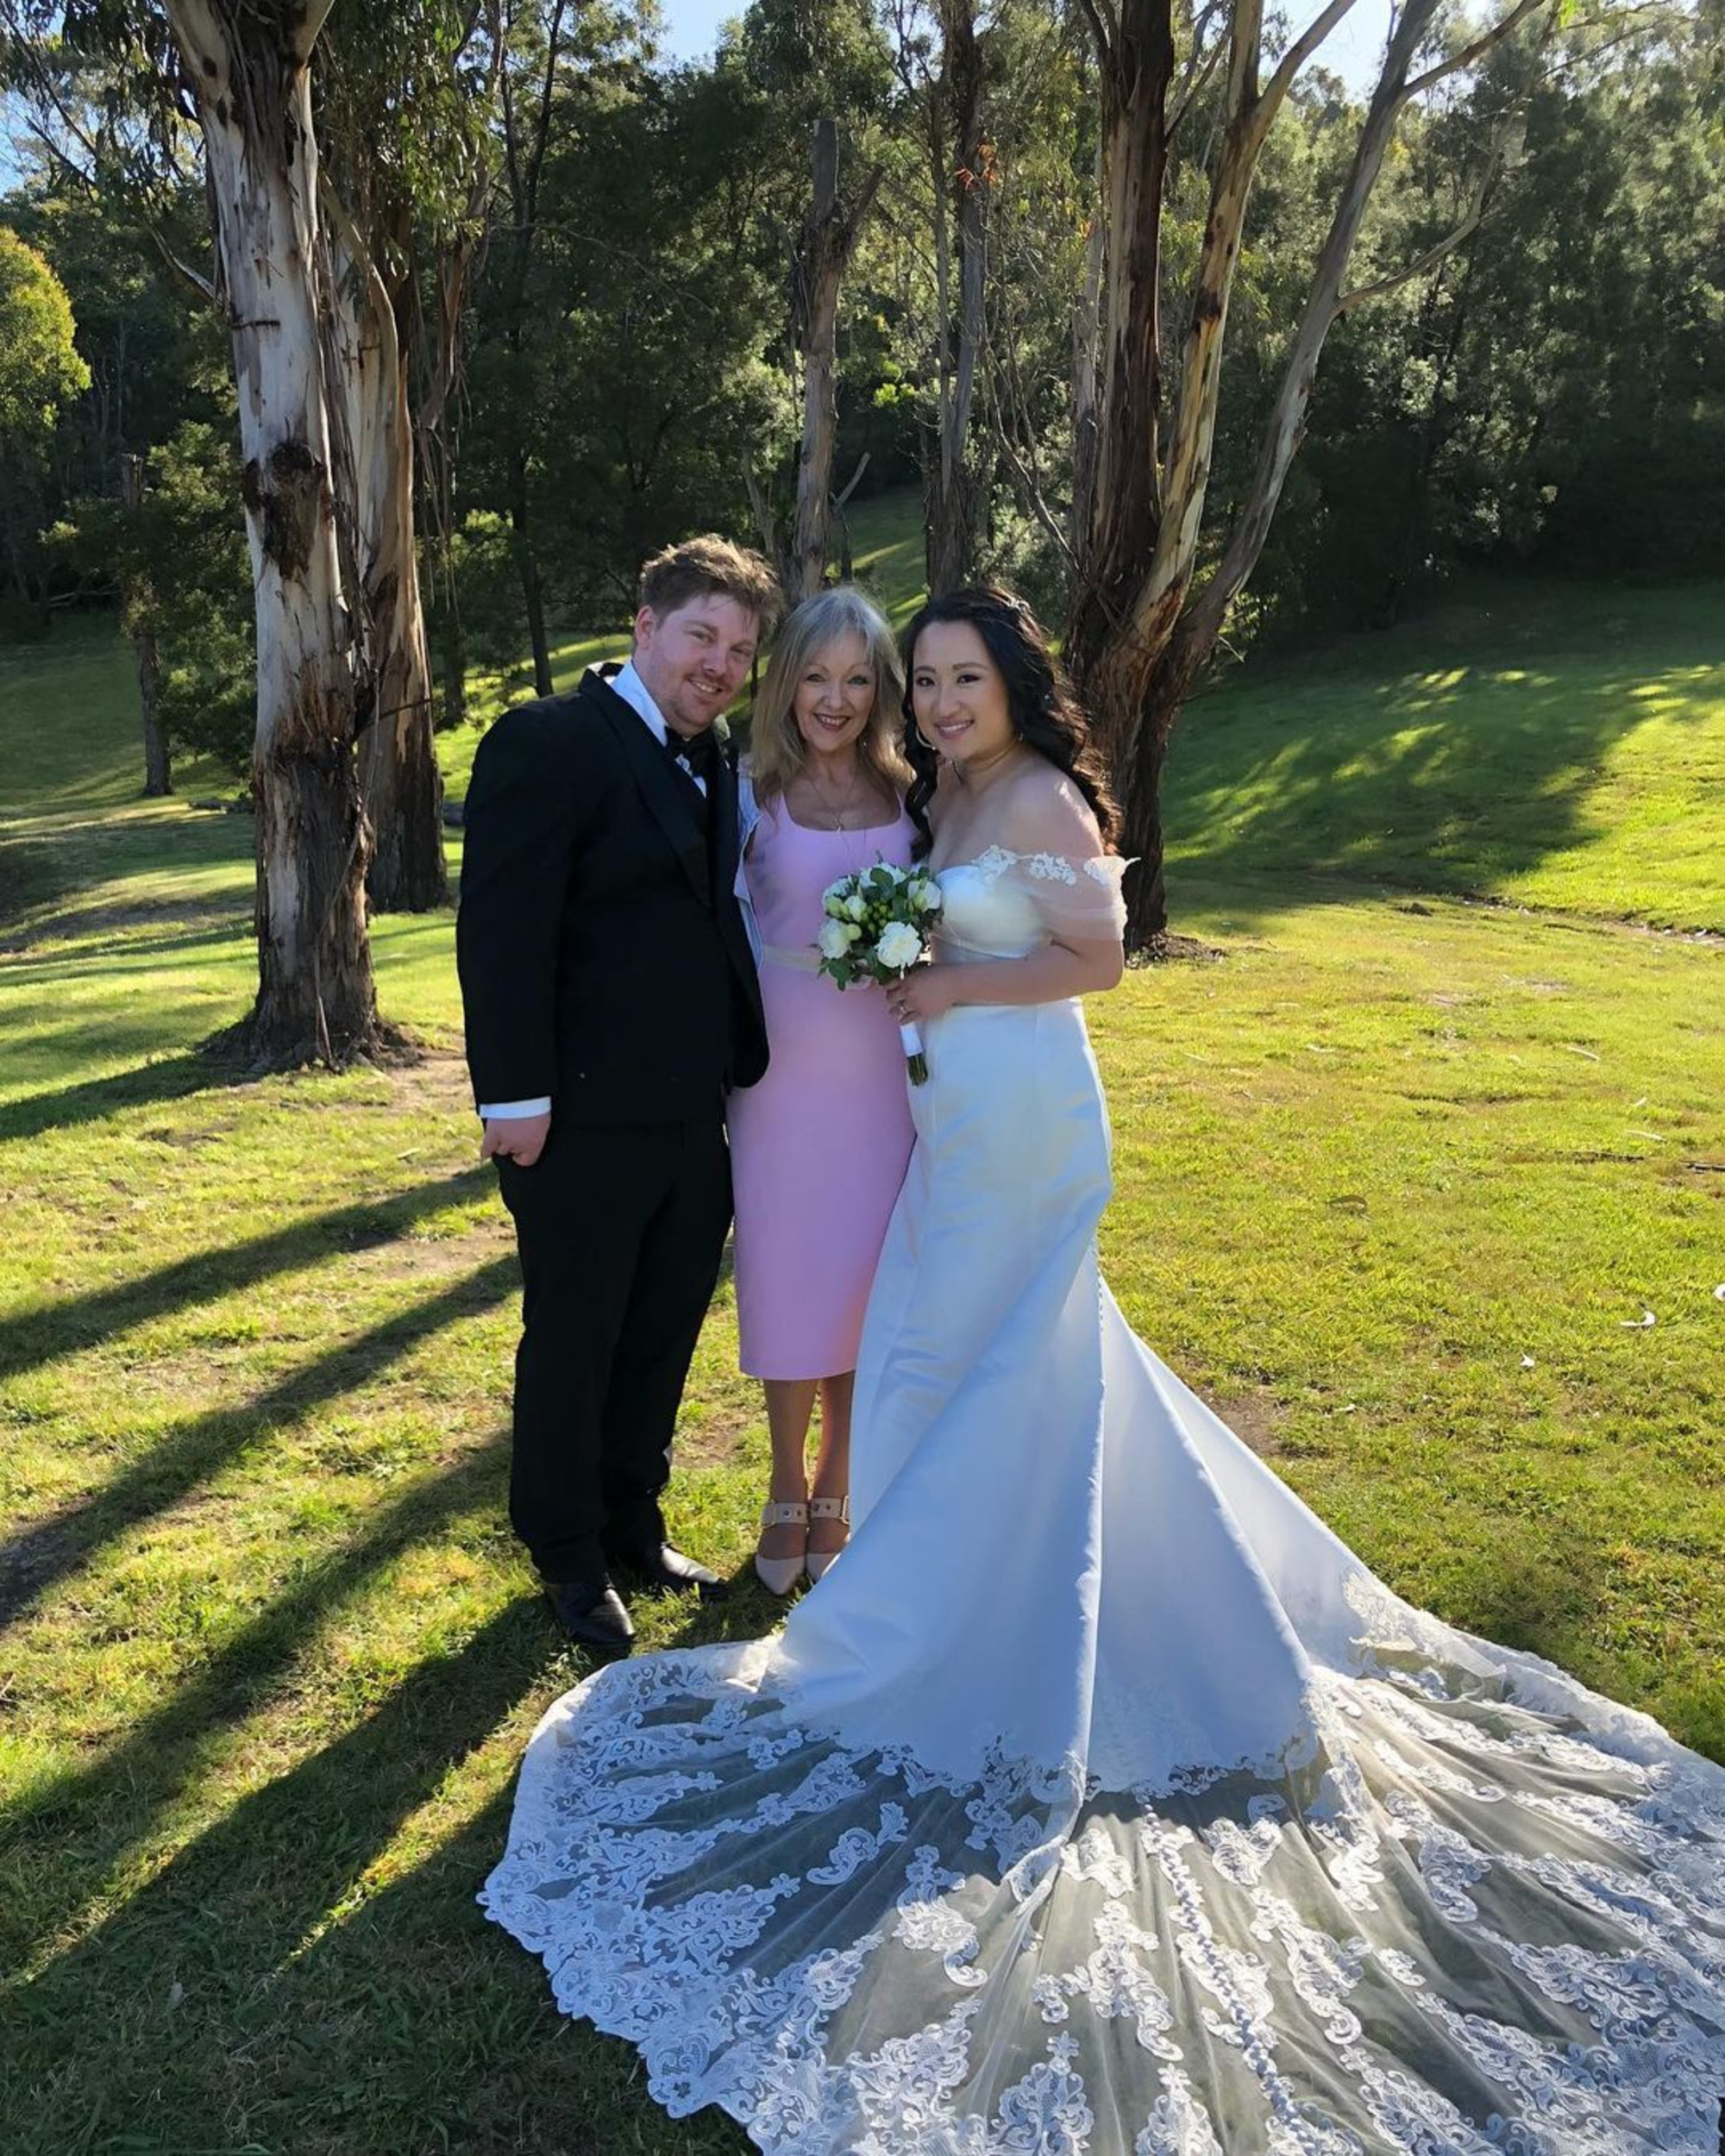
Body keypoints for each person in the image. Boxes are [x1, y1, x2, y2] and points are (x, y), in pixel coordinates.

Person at [481, 588, 1725, 2151]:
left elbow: (1102, 955)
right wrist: (915, 971)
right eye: (919, 683)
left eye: (957, 678)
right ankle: (934, 1589)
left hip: (1027, 1121)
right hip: (958, 1119)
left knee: (989, 1354)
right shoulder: (943, 796)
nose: (935, 702)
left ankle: (957, 1614)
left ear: (1010, 684)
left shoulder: (1047, 795)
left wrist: (944, 981)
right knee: (958, 1357)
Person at [456, 536, 780, 1653]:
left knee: (659, 1333)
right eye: (701, 636)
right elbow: (503, 934)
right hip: (577, 1119)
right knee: (576, 1335)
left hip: (695, 1114)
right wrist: (513, 1095)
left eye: (738, 648)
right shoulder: (544, 742)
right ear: (644, 627)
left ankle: (634, 1523)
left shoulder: (718, 750)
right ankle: (566, 1550)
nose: (720, 663)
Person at [727, 587, 918, 1595]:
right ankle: (781, 1481)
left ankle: (841, 1480)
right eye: (814, 675)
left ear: (879, 688)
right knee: (789, 1275)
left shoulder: (910, 793)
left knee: (866, 1280)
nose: (834, 699)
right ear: (785, 681)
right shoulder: (749, 791)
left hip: (883, 1073)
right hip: (779, 1074)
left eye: (855, 678)